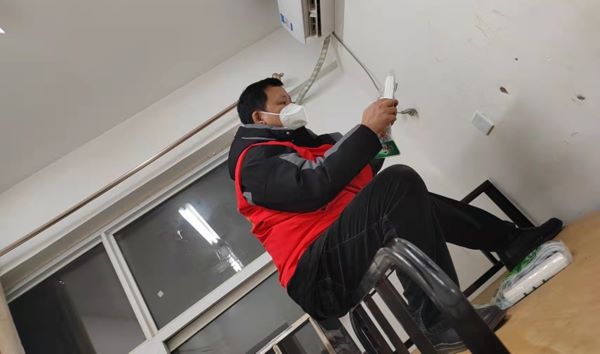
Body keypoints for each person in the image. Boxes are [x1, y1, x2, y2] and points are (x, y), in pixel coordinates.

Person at [227, 77, 563, 352]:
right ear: (259, 117)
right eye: (282, 102)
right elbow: (312, 187)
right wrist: (365, 131)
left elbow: (356, 179)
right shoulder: (253, 162)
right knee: (399, 183)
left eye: (291, 99)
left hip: (336, 247)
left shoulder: (307, 146)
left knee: (411, 197)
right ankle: (436, 321)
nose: (292, 106)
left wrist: (378, 136)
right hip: (316, 274)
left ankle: (511, 242)